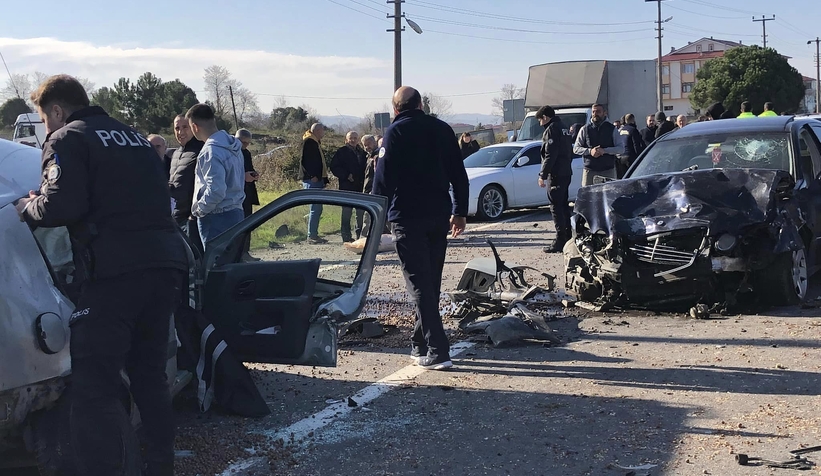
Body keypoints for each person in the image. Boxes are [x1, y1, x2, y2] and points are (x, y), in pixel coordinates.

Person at [15, 74, 187, 476]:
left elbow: (60, 207)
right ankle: (160, 466)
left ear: (56, 110)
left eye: (44, 119)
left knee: (94, 387)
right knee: (149, 375)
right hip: (164, 266)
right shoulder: (133, 138)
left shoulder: (67, 138)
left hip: (114, 275)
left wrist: (28, 207)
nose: (45, 128)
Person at [372, 86, 469, 370]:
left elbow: (383, 178)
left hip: (407, 216)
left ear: (396, 109)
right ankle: (419, 342)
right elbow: (459, 175)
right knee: (430, 282)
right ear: (421, 105)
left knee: (419, 285)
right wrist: (459, 212)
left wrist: (375, 217)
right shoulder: (442, 130)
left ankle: (439, 350)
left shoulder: (395, 132)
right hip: (437, 215)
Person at [186, 104, 245, 251]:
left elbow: (216, 190)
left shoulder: (210, 151)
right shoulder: (233, 146)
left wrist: (199, 210)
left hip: (216, 217)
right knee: (231, 266)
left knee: (215, 267)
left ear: (195, 126)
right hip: (237, 213)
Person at [535, 105, 573, 253]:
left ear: (545, 117)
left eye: (540, 119)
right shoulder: (563, 127)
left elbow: (550, 155)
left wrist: (542, 175)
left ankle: (560, 239)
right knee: (563, 205)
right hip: (566, 172)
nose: (540, 123)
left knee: (556, 207)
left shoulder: (551, 129)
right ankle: (568, 236)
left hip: (556, 173)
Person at [168, 114, 205, 253]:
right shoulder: (175, 154)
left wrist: (193, 216)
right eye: (177, 128)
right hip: (175, 218)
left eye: (185, 127)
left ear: (193, 127)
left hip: (192, 220)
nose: (180, 132)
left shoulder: (202, 151)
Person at [331, 131, 367, 242]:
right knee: (347, 212)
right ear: (346, 139)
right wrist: (346, 175)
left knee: (360, 212)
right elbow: (334, 167)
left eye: (355, 138)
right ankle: (346, 236)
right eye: (351, 138)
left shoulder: (362, 152)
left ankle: (359, 235)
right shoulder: (341, 152)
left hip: (360, 186)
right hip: (347, 186)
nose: (353, 140)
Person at [574, 104, 618, 186]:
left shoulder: (612, 129)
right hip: (590, 170)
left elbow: (621, 148)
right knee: (588, 196)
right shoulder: (585, 129)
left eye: (598, 111)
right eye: (593, 111)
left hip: (608, 170)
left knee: (609, 196)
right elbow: (576, 148)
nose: (595, 114)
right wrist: (590, 151)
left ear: (604, 113)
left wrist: (604, 151)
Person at [301, 123, 329, 244]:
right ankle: (311, 236)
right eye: (323, 130)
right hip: (312, 181)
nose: (324, 133)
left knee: (317, 209)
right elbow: (306, 160)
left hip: (317, 180)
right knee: (315, 208)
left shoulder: (315, 141)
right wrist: (312, 176)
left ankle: (313, 234)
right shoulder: (309, 142)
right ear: (317, 130)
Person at [236, 129, 260, 262]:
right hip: (236, 194)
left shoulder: (246, 153)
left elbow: (248, 168)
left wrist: (253, 174)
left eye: (248, 143)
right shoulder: (231, 153)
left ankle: (245, 252)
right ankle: (237, 254)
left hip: (247, 193)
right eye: (243, 142)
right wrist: (242, 177)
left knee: (247, 224)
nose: (245, 145)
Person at [616, 113, 646, 178]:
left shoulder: (621, 130)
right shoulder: (633, 130)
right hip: (630, 157)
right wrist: (639, 157)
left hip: (621, 157)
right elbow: (636, 145)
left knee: (624, 177)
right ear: (633, 120)